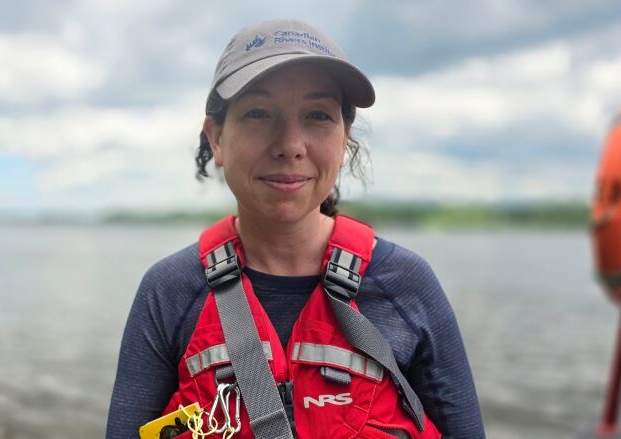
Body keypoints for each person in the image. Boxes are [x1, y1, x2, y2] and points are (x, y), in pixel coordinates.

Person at [107, 19, 484, 439]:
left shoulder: (407, 285)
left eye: (318, 115)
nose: (290, 143)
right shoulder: (169, 291)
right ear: (216, 139)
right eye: (258, 114)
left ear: (344, 141)